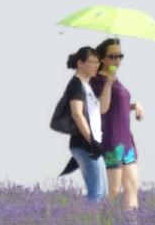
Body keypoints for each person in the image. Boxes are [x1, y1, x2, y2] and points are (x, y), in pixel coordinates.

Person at [90, 38, 145, 211]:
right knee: (112, 191)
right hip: (111, 142)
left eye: (120, 56)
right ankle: (94, 222)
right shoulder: (97, 81)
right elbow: (103, 109)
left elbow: (118, 108)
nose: (117, 60)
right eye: (112, 56)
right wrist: (108, 83)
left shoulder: (116, 79)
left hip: (126, 141)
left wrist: (134, 106)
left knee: (132, 186)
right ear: (102, 58)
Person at [58, 47, 107, 202]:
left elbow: (102, 109)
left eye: (98, 63)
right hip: (85, 145)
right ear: (80, 63)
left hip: (93, 145)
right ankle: (75, 222)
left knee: (102, 193)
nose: (96, 66)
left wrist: (109, 83)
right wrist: (91, 141)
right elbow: (77, 114)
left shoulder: (87, 85)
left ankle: (83, 221)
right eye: (92, 62)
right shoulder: (76, 85)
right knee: (96, 194)